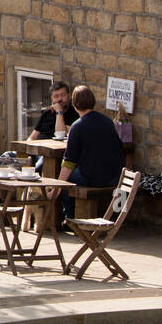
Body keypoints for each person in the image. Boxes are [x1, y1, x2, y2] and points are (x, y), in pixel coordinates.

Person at [56, 84, 125, 223]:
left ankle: (69, 218)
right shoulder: (107, 122)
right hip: (114, 176)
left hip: (93, 177)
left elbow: (69, 162)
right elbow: (119, 147)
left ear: (74, 104)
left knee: (66, 180)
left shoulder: (77, 126)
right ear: (93, 101)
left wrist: (56, 187)